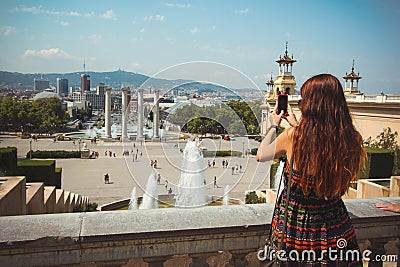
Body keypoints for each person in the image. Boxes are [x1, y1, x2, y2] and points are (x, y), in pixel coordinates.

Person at [256, 74, 366, 266]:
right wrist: (296, 124)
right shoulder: (352, 139)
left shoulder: (294, 137)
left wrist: (274, 125)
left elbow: (262, 154)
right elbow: (322, 147)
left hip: (295, 226)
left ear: (312, 104)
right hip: (335, 225)